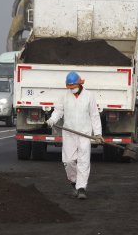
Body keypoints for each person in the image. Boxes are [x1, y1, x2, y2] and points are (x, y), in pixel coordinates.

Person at [46, 71, 102, 200]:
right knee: (68, 160)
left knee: (83, 161)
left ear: (80, 84)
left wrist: (98, 133)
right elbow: (58, 111)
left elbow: (94, 115)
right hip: (69, 132)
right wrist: (52, 120)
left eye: (73, 87)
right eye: (69, 88)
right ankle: (74, 182)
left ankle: (81, 188)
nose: (72, 90)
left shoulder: (89, 96)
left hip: (85, 133)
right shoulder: (64, 96)